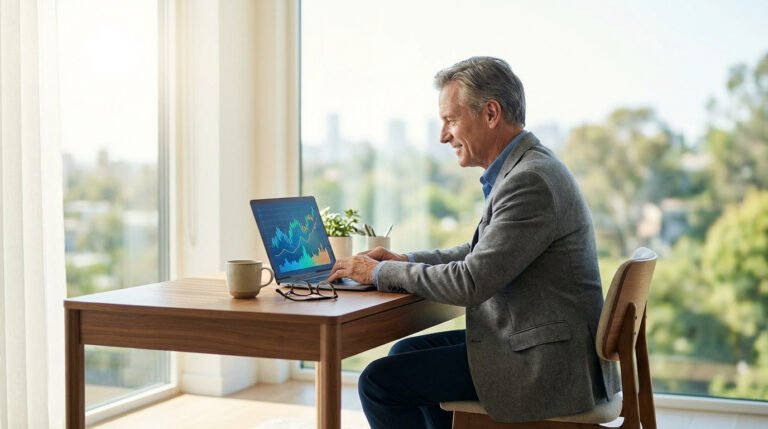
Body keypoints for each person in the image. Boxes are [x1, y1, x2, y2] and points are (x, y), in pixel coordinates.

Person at [328, 56, 620, 429]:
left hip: (548, 366)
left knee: (379, 383)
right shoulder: (526, 168)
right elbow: (478, 254)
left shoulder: (529, 180)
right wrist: (405, 259)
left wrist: (380, 271)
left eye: (451, 120)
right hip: (545, 346)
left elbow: (471, 281)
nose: (443, 136)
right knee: (404, 353)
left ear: (491, 113)